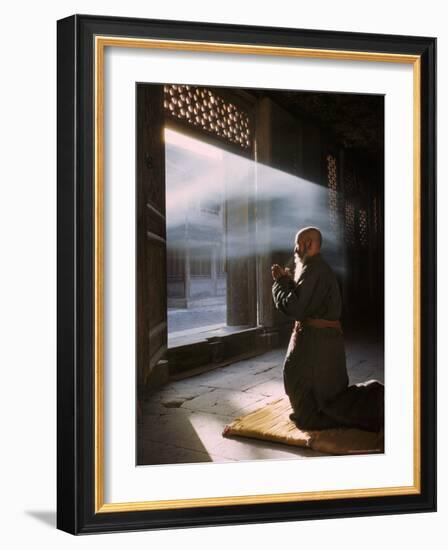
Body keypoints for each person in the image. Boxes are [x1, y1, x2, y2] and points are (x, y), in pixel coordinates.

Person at [271, 226, 384, 432]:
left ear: (307, 244)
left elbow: (296, 307)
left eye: (297, 244)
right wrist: (288, 281)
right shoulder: (313, 268)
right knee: (323, 395)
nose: (295, 250)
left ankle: (377, 401)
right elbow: (304, 299)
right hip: (321, 343)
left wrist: (280, 283)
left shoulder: (315, 269)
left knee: (312, 415)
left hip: (317, 346)